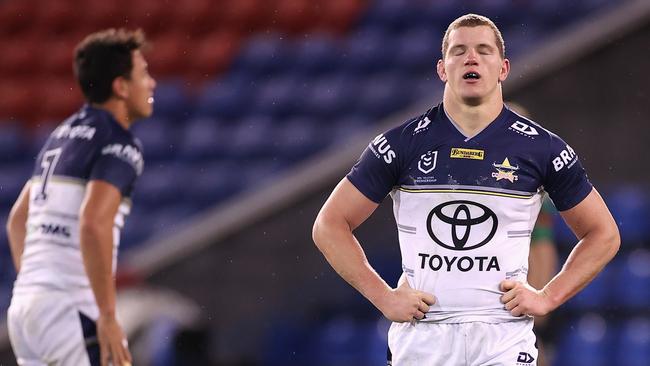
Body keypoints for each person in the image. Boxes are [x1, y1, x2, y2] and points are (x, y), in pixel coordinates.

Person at [312, 13, 619, 366]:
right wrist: (383, 297)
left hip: (503, 335)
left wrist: (548, 297)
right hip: (424, 337)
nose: (471, 58)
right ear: (442, 69)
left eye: (483, 51)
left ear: (503, 69)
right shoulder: (400, 144)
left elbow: (603, 234)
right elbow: (329, 225)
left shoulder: (543, 149)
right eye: (459, 51)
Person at [5, 28, 156, 366]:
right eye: (144, 73)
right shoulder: (119, 143)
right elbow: (93, 223)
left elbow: (17, 220)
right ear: (120, 86)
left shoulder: (61, 136)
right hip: (69, 310)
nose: (151, 83)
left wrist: (37, 284)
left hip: (25, 309)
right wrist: (106, 315)